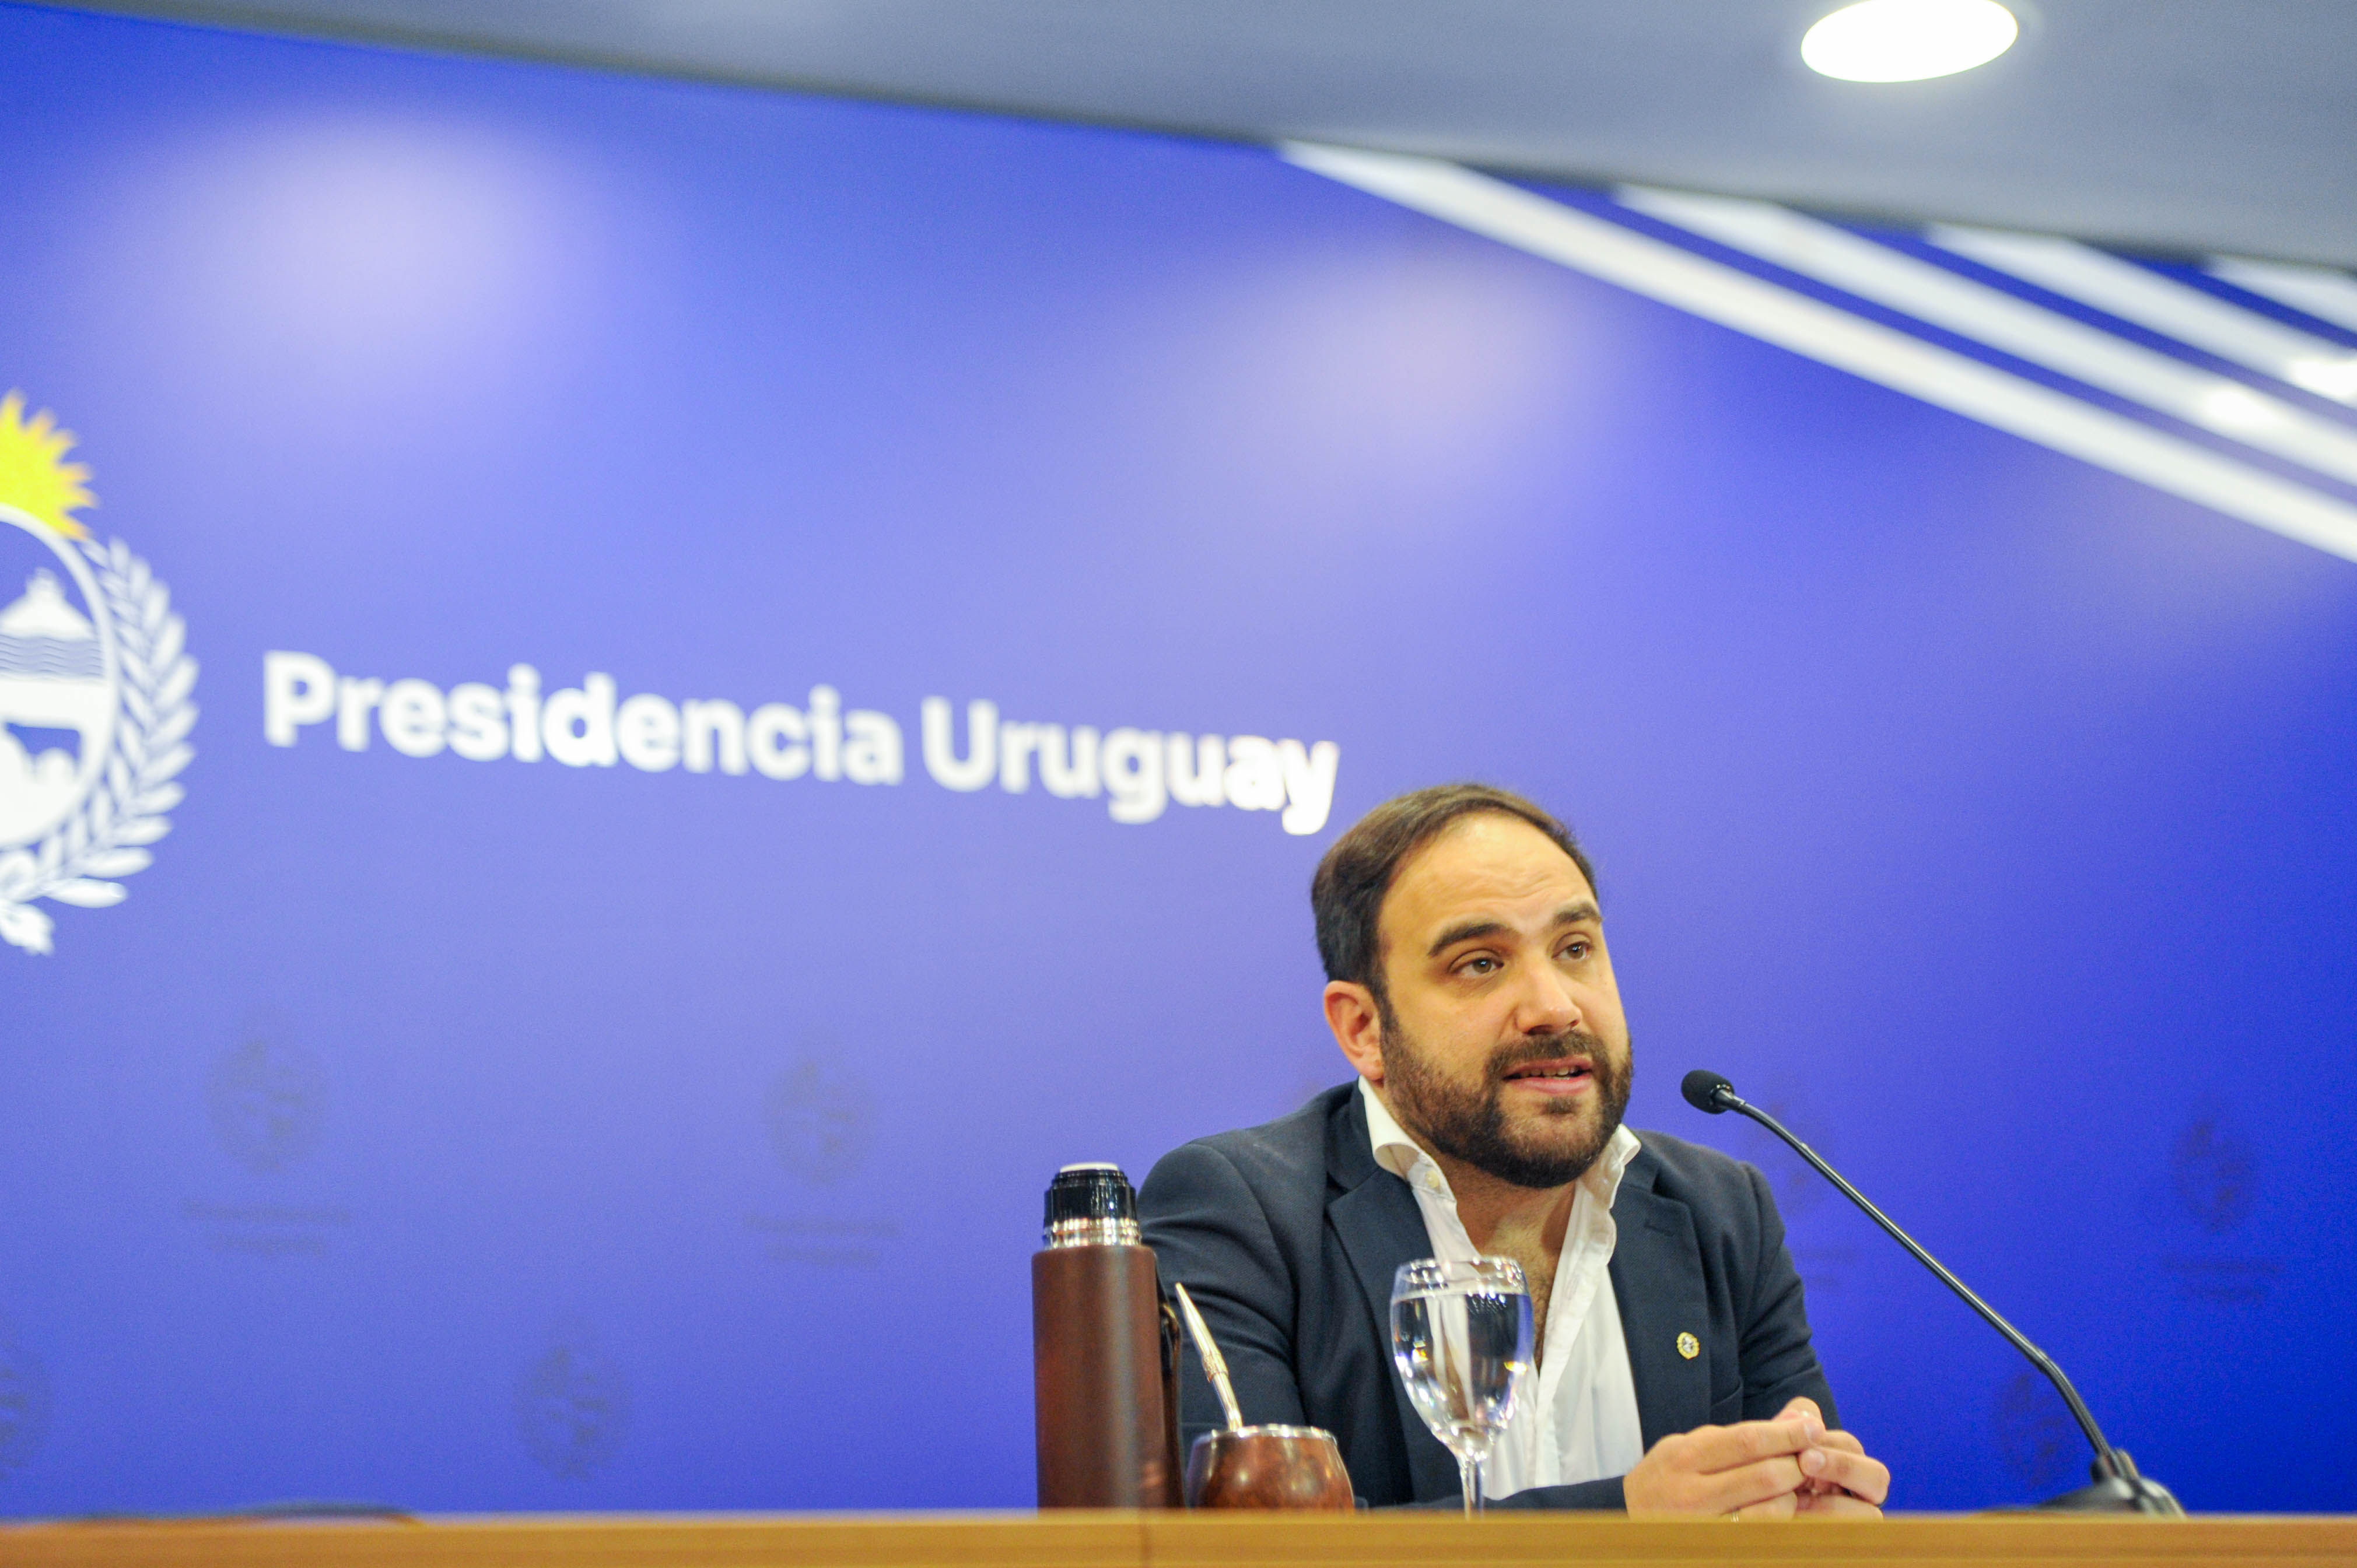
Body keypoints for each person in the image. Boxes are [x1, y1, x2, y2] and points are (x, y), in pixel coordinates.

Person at [1138, 784, 1892, 1516]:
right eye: (1480, 963)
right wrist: (1627, 1524)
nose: (1554, 1006)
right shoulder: (1240, 1214)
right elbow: (1250, 1546)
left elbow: (1799, 1515)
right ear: (1362, 1028)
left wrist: (1822, 1525)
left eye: (1574, 948)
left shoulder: (1718, 1211)